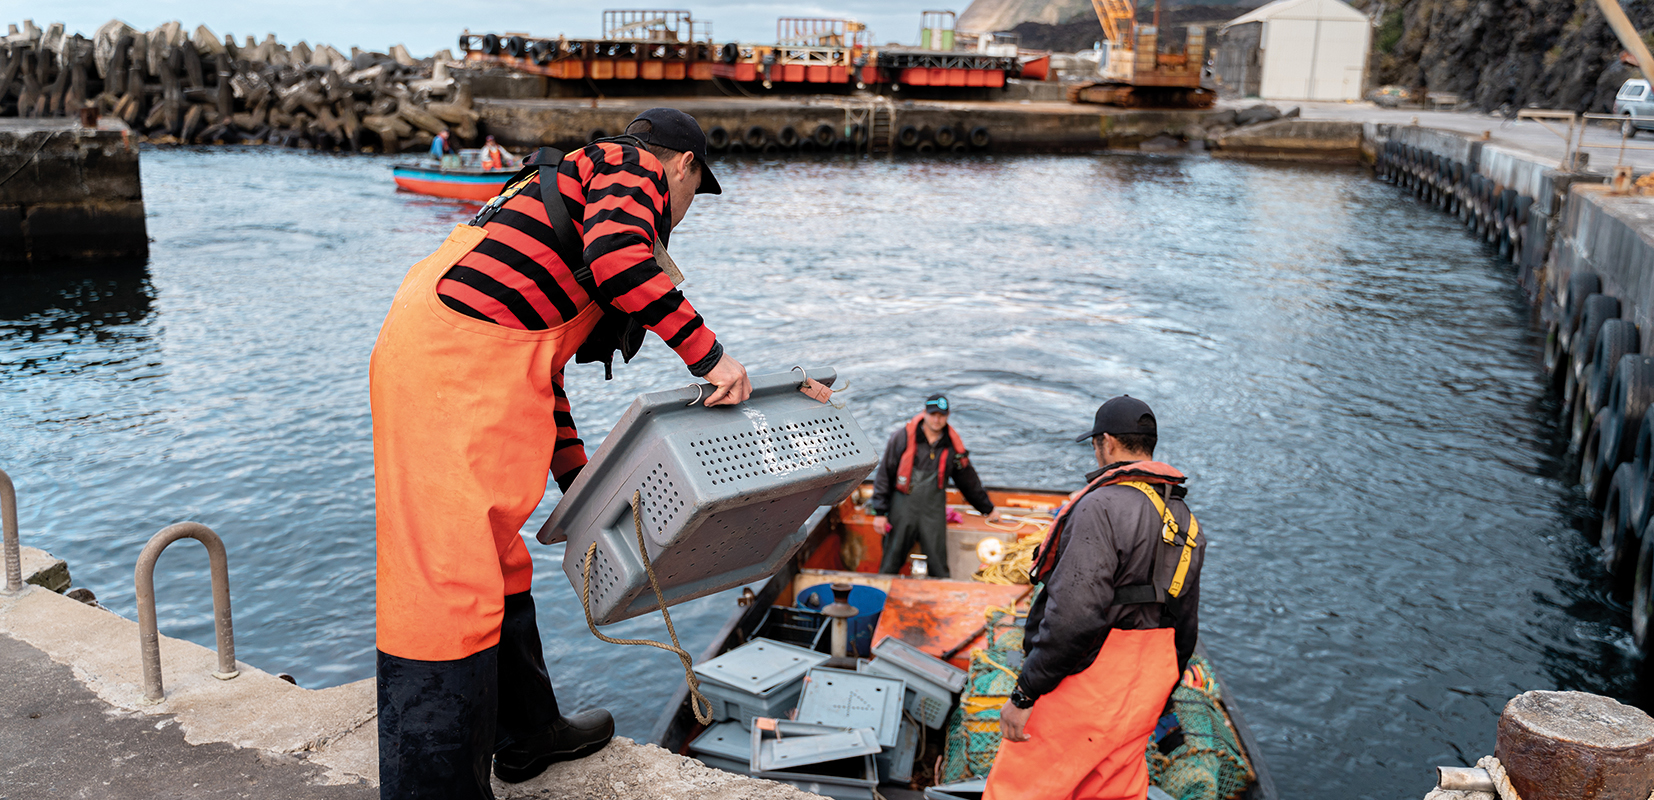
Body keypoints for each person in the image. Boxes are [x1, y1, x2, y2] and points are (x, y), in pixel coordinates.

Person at [370, 108, 752, 800]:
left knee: (498, 557)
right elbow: (620, 263)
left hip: (465, 353)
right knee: (445, 580)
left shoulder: (571, 195)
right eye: (697, 192)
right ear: (684, 166)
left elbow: (540, 373)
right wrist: (713, 358)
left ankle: (527, 731)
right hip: (448, 363)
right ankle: (431, 788)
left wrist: (583, 485)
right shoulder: (629, 166)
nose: (687, 209)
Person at [984, 395, 1205, 800]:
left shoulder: (1099, 506)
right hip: (1147, 688)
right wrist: (1161, 695)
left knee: (1020, 790)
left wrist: (1025, 693)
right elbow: (1186, 624)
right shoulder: (1185, 518)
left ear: (1106, 443)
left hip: (1087, 687)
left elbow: (1074, 617)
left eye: (1094, 444)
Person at [867, 394, 999, 579]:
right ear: (924, 413)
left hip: (933, 511)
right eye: (933, 414)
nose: (937, 419)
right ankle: (883, 596)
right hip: (903, 508)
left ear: (948, 416)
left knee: (938, 563)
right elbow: (884, 475)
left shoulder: (952, 446)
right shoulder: (902, 437)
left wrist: (988, 508)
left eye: (942, 415)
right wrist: (880, 513)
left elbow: (968, 481)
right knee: (891, 560)